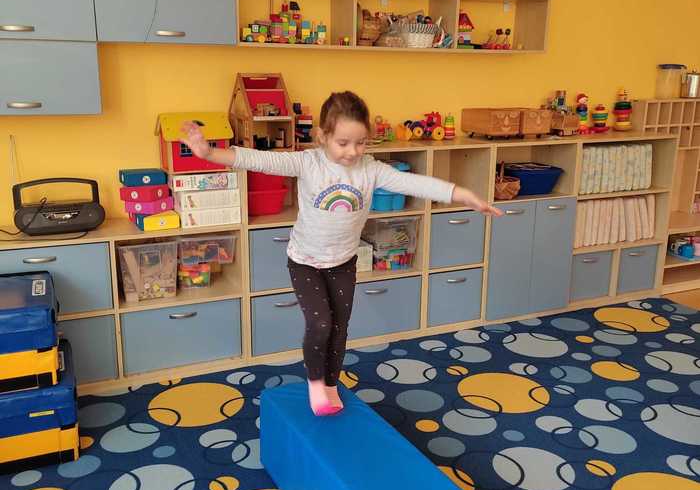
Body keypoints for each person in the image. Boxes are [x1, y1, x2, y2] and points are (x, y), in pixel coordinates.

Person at [181, 91, 503, 416]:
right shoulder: (307, 162)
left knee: (339, 327)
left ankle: (332, 383)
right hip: (305, 261)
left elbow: (414, 183)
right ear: (323, 136)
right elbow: (258, 160)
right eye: (343, 143)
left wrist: (464, 194)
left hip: (344, 262)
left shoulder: (371, 170)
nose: (353, 151)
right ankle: (315, 382)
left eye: (361, 143)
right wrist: (208, 152)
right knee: (321, 323)